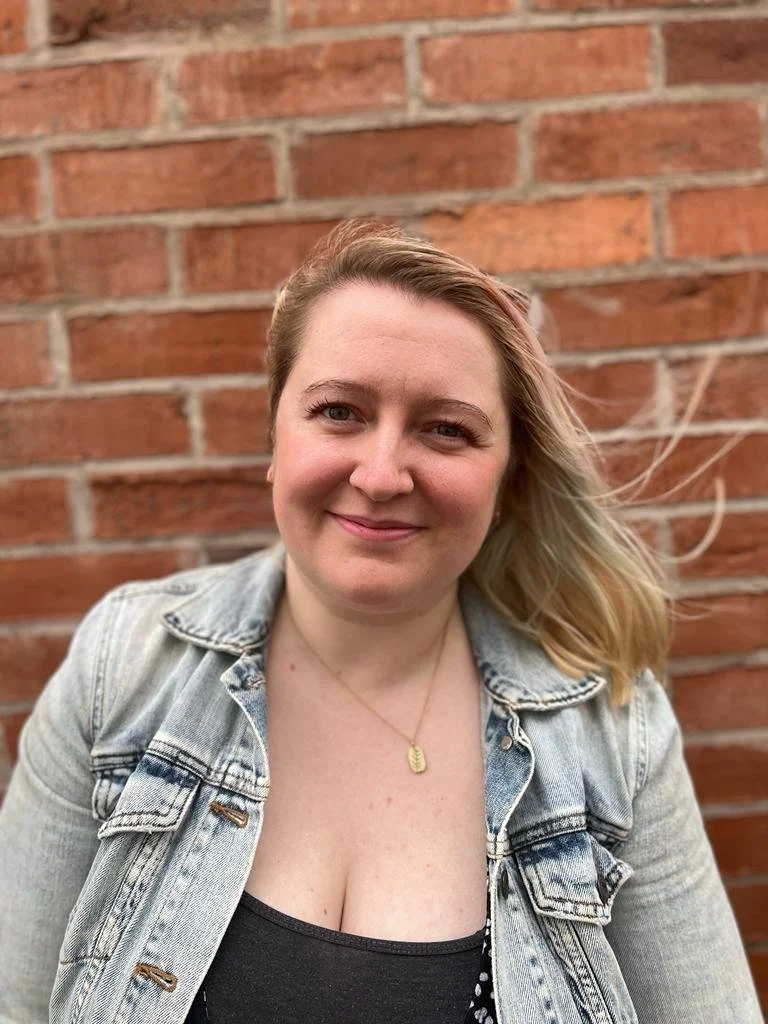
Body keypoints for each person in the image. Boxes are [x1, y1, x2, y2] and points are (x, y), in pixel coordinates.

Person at [0, 222, 762, 1024]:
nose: (382, 473)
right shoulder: (126, 668)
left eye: (447, 429)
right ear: (274, 439)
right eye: (339, 412)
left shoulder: (613, 731)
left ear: (507, 480)